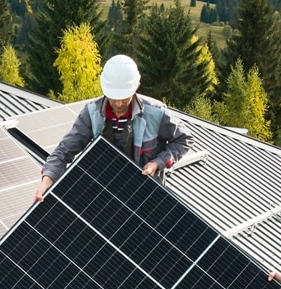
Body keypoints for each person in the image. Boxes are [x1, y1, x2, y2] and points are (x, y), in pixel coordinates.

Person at [33, 54, 193, 202]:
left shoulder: (156, 113)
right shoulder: (91, 113)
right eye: (113, 97)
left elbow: (184, 139)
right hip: (105, 195)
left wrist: (158, 163)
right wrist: (46, 181)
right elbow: (64, 151)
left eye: (124, 98)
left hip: (146, 196)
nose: (118, 104)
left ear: (136, 86)